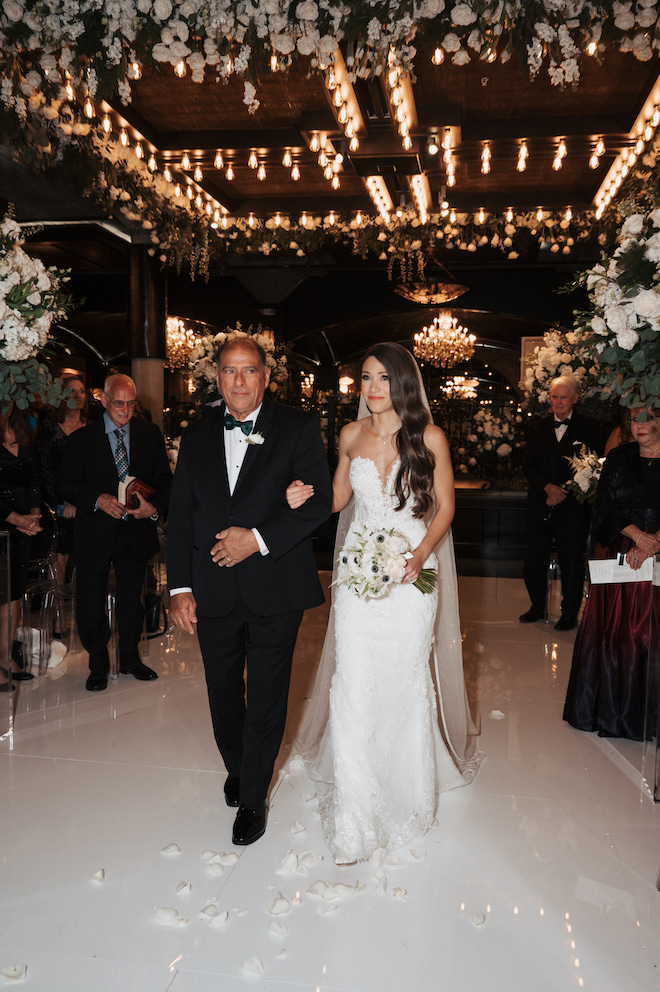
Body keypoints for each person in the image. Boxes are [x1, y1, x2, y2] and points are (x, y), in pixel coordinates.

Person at [286, 341, 480, 864]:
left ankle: (403, 786)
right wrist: (300, 495)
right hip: (356, 572)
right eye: (365, 377)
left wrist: (417, 555)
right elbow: (338, 500)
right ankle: (352, 807)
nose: (372, 388)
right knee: (353, 677)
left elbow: (445, 508)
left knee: (402, 675)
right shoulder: (350, 435)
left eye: (382, 378)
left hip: (412, 572)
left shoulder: (429, 436)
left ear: (403, 384)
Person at [167, 338, 332, 847]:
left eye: (249, 371)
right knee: (222, 694)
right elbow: (180, 520)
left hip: (275, 587)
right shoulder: (194, 438)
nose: (239, 381)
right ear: (217, 377)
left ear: (266, 377)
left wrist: (256, 540)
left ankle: (255, 795)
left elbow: (319, 503)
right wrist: (179, 587)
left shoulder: (298, 427)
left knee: (265, 696)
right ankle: (238, 765)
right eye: (229, 371)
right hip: (211, 588)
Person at [58, 374, 172, 692]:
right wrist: (98, 499)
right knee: (91, 599)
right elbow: (65, 484)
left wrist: (153, 508)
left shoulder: (150, 435)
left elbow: (165, 482)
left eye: (130, 403)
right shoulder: (82, 439)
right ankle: (97, 664)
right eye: (118, 403)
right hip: (94, 531)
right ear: (104, 400)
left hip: (135, 530)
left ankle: (130, 659)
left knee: (131, 600)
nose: (124, 409)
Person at [563, 408, 660, 740]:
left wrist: (653, 543)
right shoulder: (619, 458)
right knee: (619, 631)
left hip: (655, 548)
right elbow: (605, 506)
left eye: (647, 418)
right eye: (634, 420)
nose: (639, 425)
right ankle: (614, 711)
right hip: (622, 548)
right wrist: (638, 537)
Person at [520, 375, 602, 631]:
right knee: (534, 558)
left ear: (575, 398)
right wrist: (547, 487)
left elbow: (595, 465)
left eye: (563, 397)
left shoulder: (591, 427)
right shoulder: (536, 428)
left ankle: (569, 614)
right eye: (554, 397)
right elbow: (528, 465)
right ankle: (536, 607)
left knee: (571, 560)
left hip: (573, 507)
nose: (557, 401)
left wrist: (566, 490)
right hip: (540, 503)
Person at [0, 404, 42, 689]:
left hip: (24, 524)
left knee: (14, 595)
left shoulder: (23, 428)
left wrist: (35, 513)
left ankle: (5, 656)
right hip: (2, 524)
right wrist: (16, 519)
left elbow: (36, 475)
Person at [34, 376, 88, 597]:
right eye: (72, 390)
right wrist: (64, 500)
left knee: (87, 554)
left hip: (84, 500)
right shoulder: (48, 426)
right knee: (60, 553)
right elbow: (44, 468)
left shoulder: (91, 428)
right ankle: (58, 615)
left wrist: (78, 499)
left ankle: (83, 610)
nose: (77, 395)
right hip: (55, 501)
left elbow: (93, 472)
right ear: (61, 396)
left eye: (82, 391)